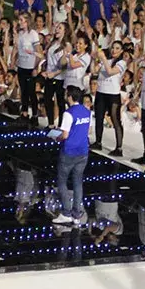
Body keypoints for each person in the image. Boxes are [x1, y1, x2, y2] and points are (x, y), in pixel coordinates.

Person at [52, 86, 91, 226]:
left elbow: (65, 135)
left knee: (62, 182)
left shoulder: (68, 113)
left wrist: (55, 137)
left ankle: (67, 213)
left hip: (69, 152)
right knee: (77, 182)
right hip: (83, 151)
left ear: (69, 96)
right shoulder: (87, 111)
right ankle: (77, 214)